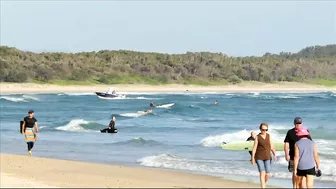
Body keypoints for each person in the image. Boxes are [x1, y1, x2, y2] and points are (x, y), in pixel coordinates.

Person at [284, 117, 313, 188]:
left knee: (302, 176)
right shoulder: (290, 132)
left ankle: (301, 186)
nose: (298, 125)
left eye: (299, 123)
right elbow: (286, 143)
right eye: (297, 123)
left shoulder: (306, 131)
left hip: (303, 157)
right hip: (293, 156)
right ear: (294, 124)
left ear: (302, 123)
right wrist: (286, 154)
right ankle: (294, 186)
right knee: (294, 172)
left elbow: (310, 143)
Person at [251, 123, 277, 189]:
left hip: (268, 157)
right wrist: (253, 158)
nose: (264, 131)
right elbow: (254, 148)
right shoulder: (257, 137)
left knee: (267, 174)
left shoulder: (269, 136)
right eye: (263, 129)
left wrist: (274, 154)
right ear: (260, 129)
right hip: (259, 157)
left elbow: (272, 146)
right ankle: (263, 186)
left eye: (266, 130)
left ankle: (263, 184)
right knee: (262, 172)